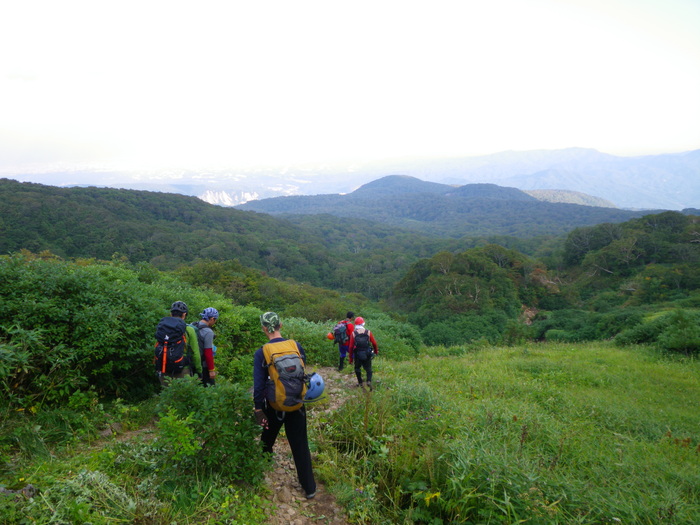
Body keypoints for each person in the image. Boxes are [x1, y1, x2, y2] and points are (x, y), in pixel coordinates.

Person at [253, 311, 317, 499]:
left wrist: (258, 409)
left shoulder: (262, 352)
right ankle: (309, 487)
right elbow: (301, 373)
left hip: (274, 405)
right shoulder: (295, 346)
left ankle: (262, 467)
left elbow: (259, 385)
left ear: (264, 328)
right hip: (297, 403)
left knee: (268, 435)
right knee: (300, 444)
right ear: (281, 325)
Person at [156, 301, 202, 386]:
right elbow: (195, 353)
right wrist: (199, 371)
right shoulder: (189, 330)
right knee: (184, 397)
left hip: (163, 369)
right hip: (183, 370)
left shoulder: (163, 327)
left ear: (171, 314)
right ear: (184, 315)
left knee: (167, 397)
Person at [347, 316, 379, 390]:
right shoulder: (368, 332)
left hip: (357, 354)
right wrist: (376, 351)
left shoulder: (353, 333)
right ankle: (368, 381)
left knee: (357, 368)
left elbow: (351, 347)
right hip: (367, 353)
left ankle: (360, 383)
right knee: (368, 369)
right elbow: (374, 343)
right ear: (363, 324)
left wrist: (350, 358)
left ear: (355, 324)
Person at [195, 307, 219, 387]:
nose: (215, 322)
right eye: (215, 320)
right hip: (204, 365)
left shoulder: (193, 325)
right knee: (210, 389)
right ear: (212, 319)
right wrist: (211, 370)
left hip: (192, 363)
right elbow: (208, 352)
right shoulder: (208, 332)